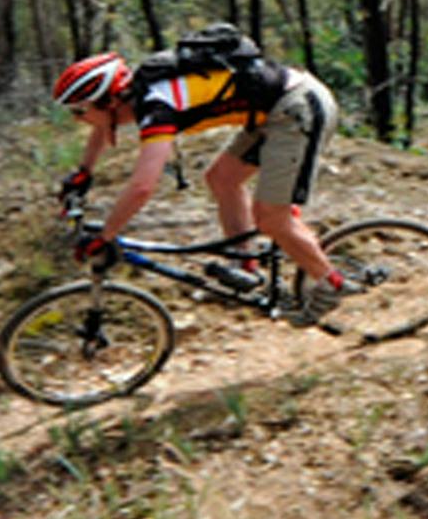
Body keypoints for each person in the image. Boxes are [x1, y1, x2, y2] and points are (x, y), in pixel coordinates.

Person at [52, 43, 353, 321]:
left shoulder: (157, 108)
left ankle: (332, 283)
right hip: (272, 111)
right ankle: (247, 265)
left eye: (80, 110)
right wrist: (84, 172)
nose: (78, 119)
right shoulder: (135, 94)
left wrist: (106, 234)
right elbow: (100, 128)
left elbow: (143, 186)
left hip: (298, 109)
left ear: (110, 100)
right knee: (222, 179)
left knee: (271, 218)